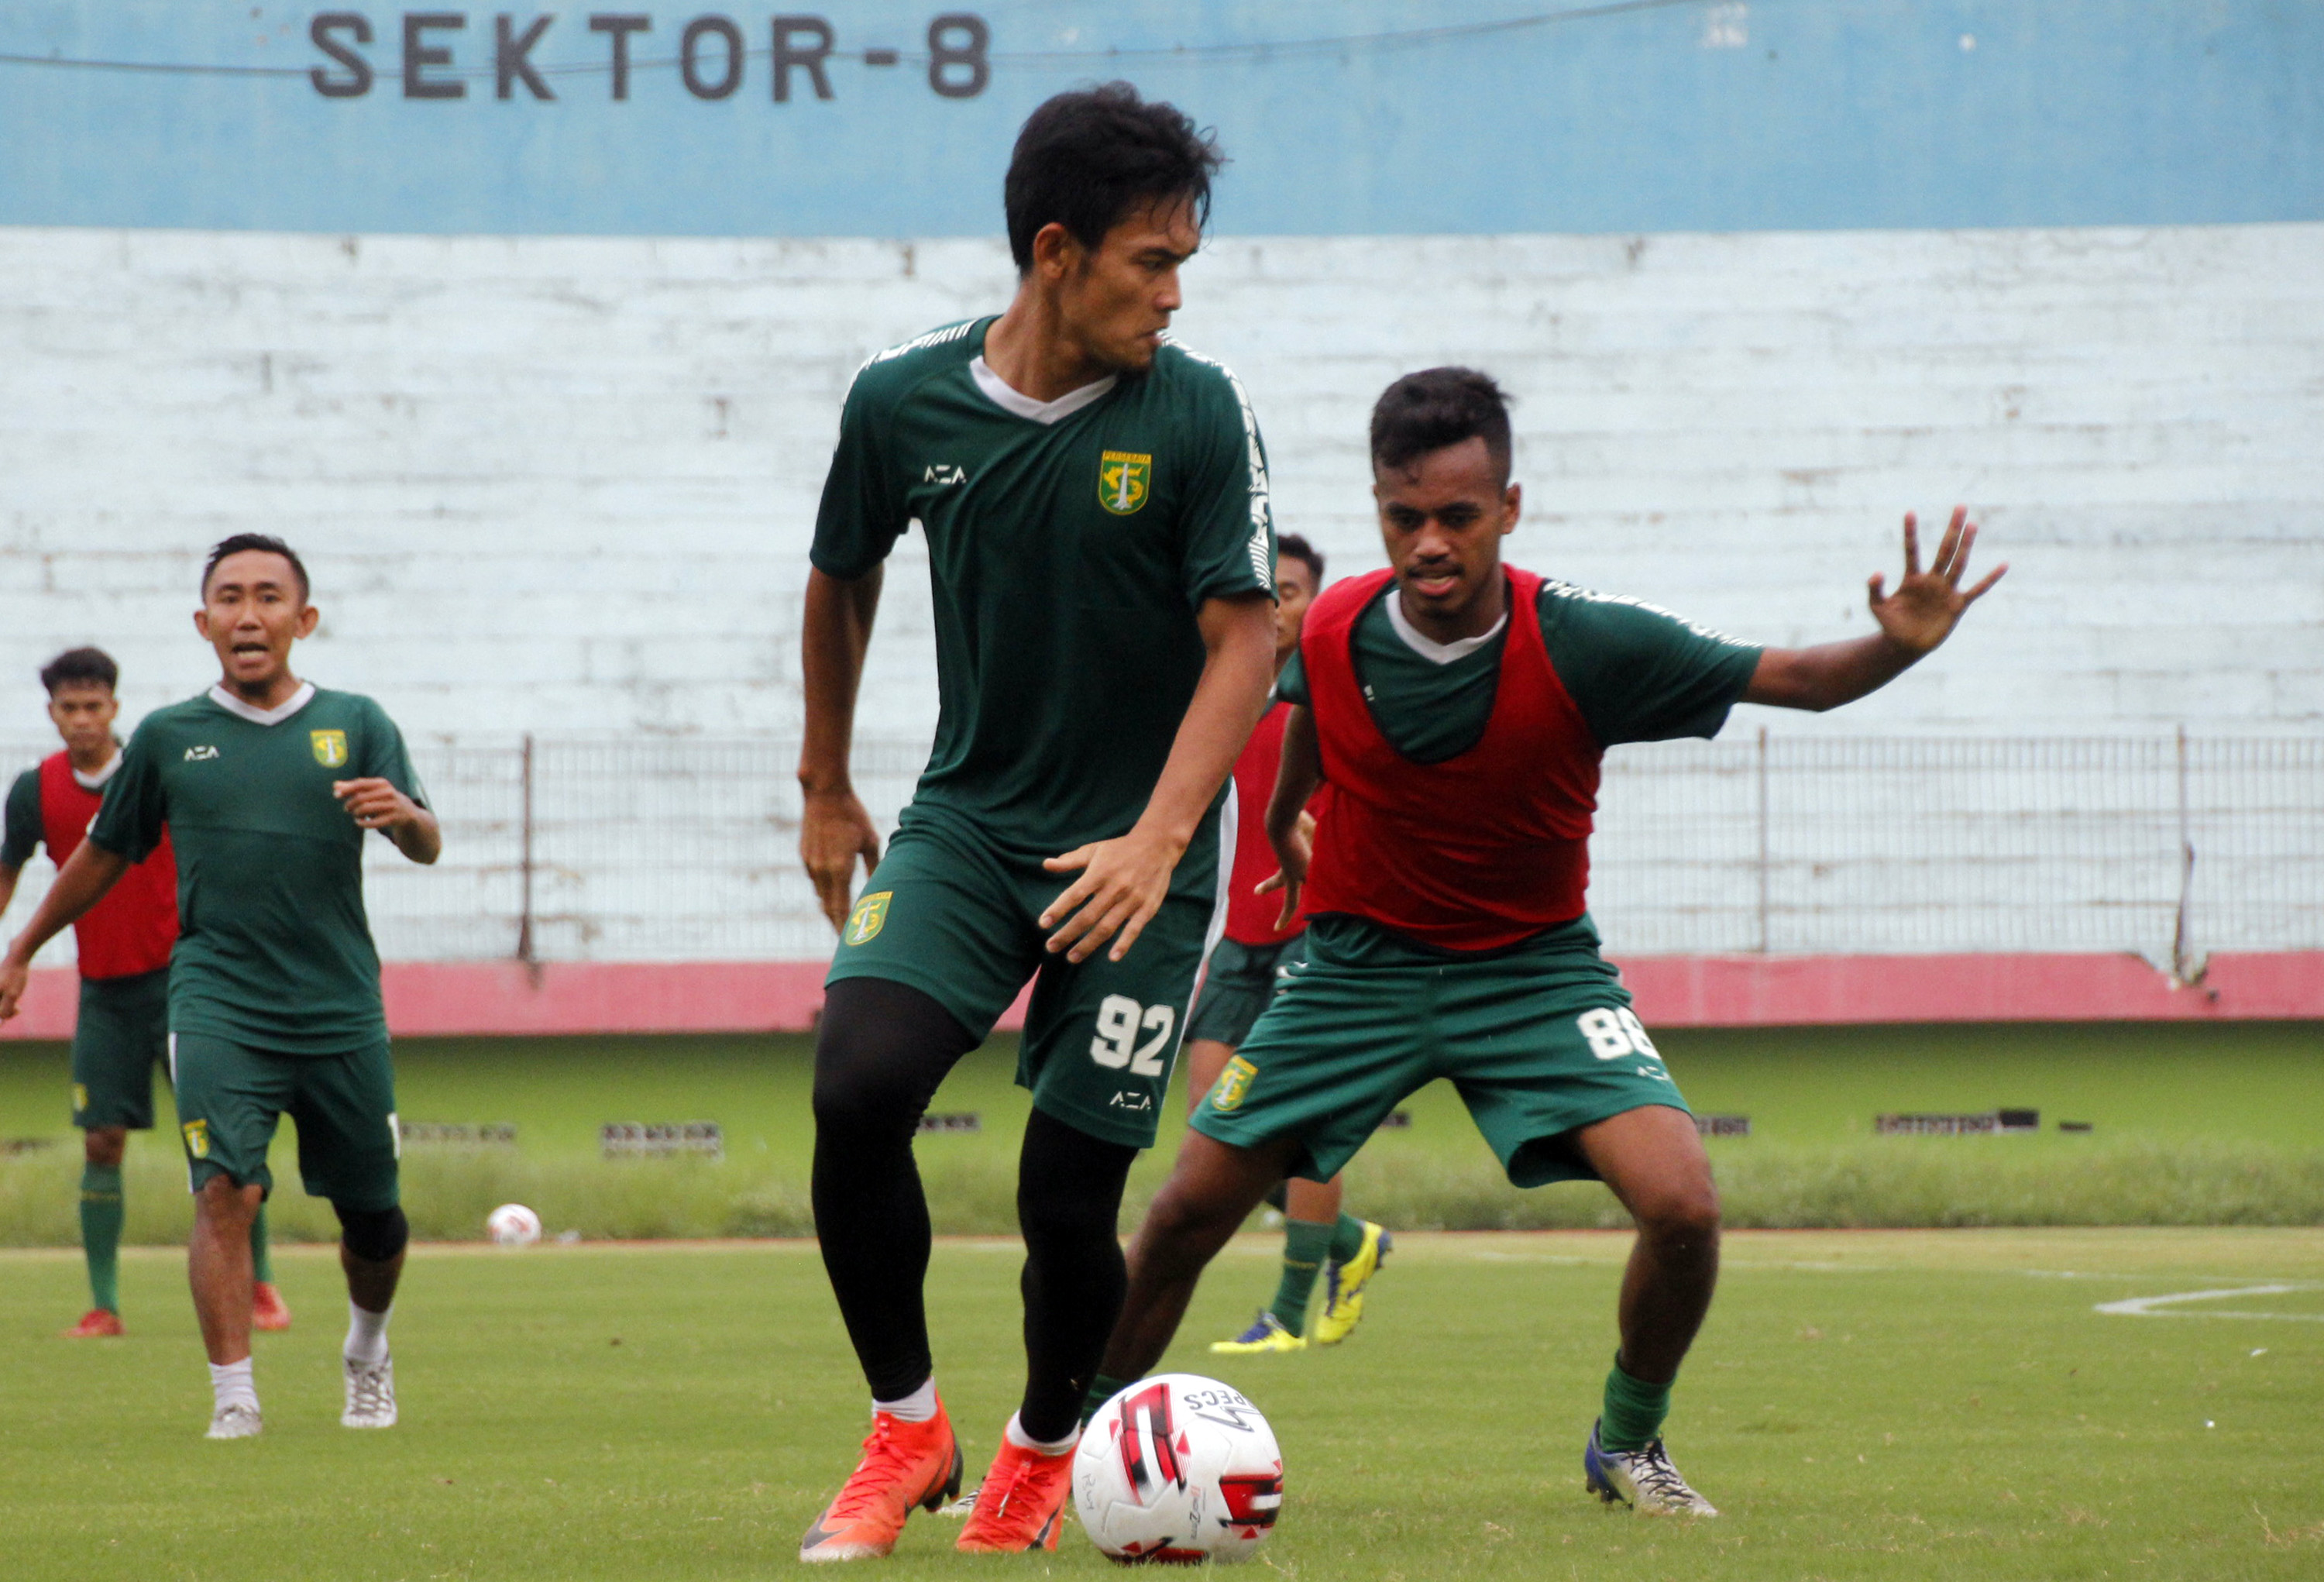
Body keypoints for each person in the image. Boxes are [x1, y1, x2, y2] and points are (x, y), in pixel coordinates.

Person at [1092, 368, 2004, 1517]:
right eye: (1404, 516)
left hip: (1534, 973)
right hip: (1355, 973)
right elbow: (1316, 729)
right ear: (1379, 508)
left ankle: (1629, 1442)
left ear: (1508, 508)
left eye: (1458, 517)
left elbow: (1803, 682)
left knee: (1684, 1208)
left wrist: (1899, 646)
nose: (1430, 543)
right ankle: (1072, 1444)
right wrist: (1284, 822)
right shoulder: (1326, 626)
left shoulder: (1589, 640)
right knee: (1180, 1215)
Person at [794, 84, 1278, 1560]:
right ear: (1056, 251)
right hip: (969, 827)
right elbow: (841, 572)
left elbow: (1247, 641)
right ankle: (906, 1427)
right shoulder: (902, 399)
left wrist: (1156, 842)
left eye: (1187, 261)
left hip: (1140, 859)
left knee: (1065, 1195)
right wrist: (825, 779)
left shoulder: (1197, 406)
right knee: (857, 1086)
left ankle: (1040, 1449)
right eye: (1153, 260)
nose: (1174, 293)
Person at [0, 535, 441, 1441]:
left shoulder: (358, 721)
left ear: (302, 619)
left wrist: (408, 817)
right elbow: (103, 854)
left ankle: (366, 1348)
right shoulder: (167, 737)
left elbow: (428, 839)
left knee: (373, 1210)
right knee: (224, 1189)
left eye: (269, 597)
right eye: (230, 597)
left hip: (338, 1001)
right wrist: (24, 946)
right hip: (214, 998)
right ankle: (233, 1393)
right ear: (204, 623)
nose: (250, 613)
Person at [1, 648, 290, 1337]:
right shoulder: (34, 791)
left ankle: (263, 1289)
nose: (81, 720)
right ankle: (105, 1305)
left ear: (114, 707)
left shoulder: (153, 772)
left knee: (226, 1142)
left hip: (186, 984)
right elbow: (7, 869)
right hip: (104, 991)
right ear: (52, 714)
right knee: (102, 1141)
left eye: (93, 706)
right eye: (68, 708)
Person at [1181, 535, 1392, 1357]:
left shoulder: (1339, 690)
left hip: (1318, 926)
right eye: (1268, 591)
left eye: (1294, 590)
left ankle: (1291, 1309)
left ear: (1317, 602)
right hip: (1239, 932)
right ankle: (1348, 1241)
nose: (1277, 606)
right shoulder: (1227, 691)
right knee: (1212, 1122)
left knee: (1302, 1123)